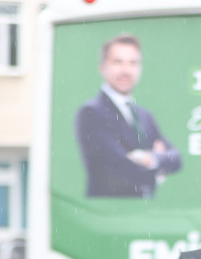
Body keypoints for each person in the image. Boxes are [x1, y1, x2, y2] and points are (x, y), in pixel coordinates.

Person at [74, 34, 182, 198]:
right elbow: (119, 169)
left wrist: (149, 158)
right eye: (118, 62)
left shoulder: (144, 116)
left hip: (143, 213)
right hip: (107, 214)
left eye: (133, 63)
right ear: (103, 68)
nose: (126, 70)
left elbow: (176, 158)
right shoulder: (91, 112)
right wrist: (158, 172)